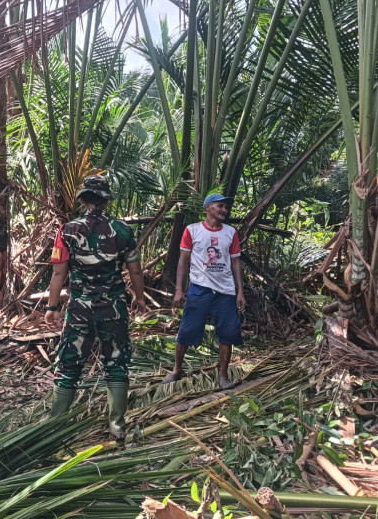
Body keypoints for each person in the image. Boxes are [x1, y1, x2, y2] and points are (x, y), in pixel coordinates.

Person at [44, 175, 147, 440]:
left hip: (79, 308)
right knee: (116, 363)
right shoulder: (123, 230)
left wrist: (52, 306)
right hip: (113, 307)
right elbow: (134, 269)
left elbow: (58, 274)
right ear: (106, 200)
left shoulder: (67, 230)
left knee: (69, 365)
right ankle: (117, 426)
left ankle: (54, 426)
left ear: (82, 199)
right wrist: (140, 297)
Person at [163, 193, 245, 389]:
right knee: (187, 330)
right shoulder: (192, 230)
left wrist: (240, 291)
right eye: (220, 206)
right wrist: (179, 290)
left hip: (225, 291)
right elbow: (183, 260)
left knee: (228, 332)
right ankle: (176, 370)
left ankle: (223, 376)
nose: (224, 210)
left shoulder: (230, 232)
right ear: (208, 207)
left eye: (226, 206)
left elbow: (235, 262)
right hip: (199, 289)